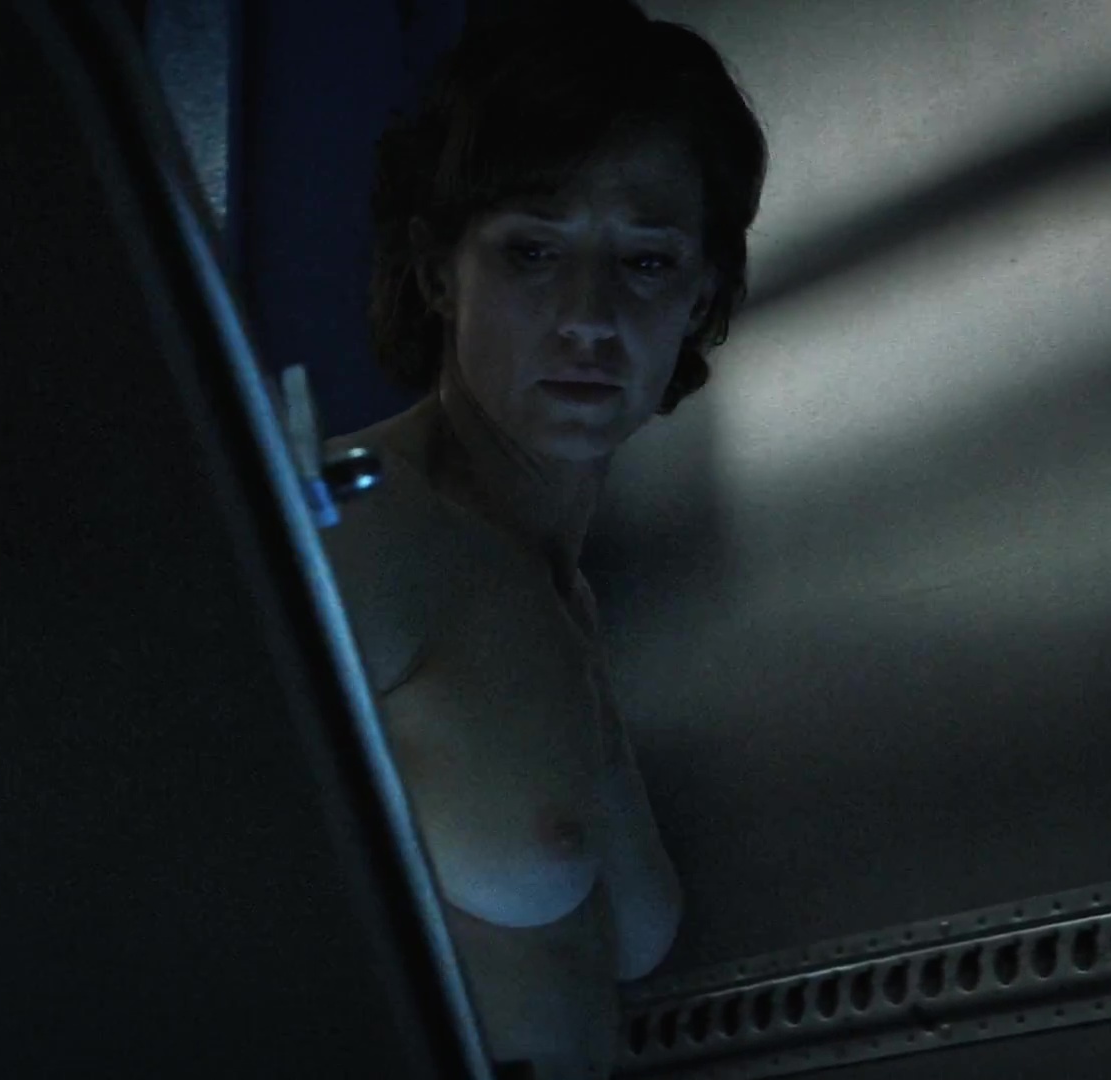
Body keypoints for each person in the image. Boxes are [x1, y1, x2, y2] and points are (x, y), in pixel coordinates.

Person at [319, 3, 767, 1076]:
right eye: (532, 251)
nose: (589, 317)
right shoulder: (363, 527)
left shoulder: (561, 596)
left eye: (646, 263)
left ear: (699, 295)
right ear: (438, 269)